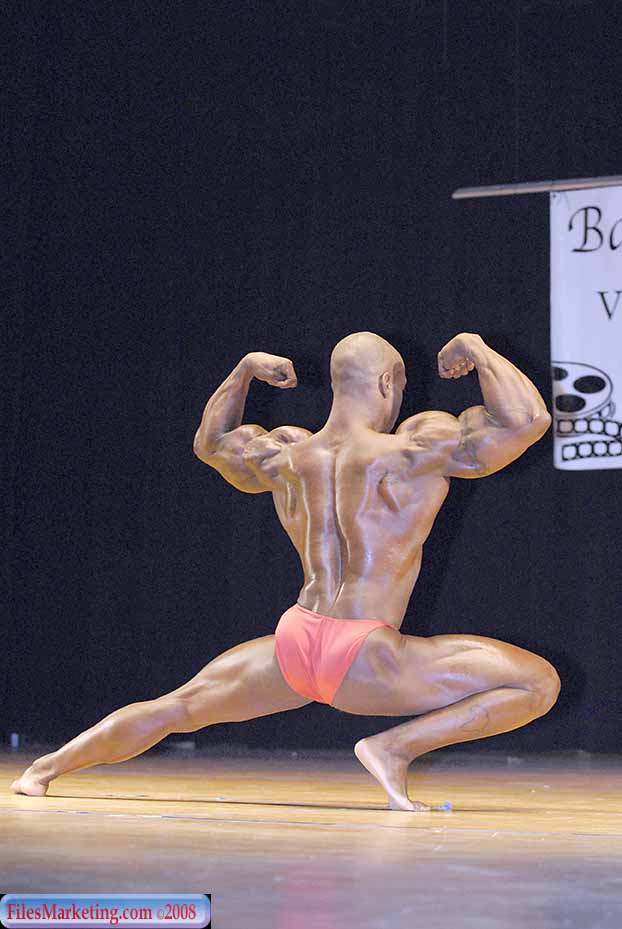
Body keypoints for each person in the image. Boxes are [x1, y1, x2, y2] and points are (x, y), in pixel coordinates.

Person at [11, 331, 559, 811]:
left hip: (297, 639)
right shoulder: (413, 452)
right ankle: (393, 748)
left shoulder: (287, 454)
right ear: (388, 383)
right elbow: (528, 420)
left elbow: (211, 443)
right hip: (366, 654)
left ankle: (42, 771)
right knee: (537, 682)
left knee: (177, 708)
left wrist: (244, 371)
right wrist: (477, 350)